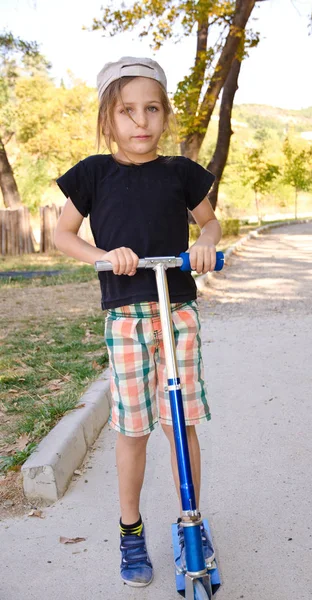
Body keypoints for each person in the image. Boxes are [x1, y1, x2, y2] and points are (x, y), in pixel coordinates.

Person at [54, 56, 222, 588]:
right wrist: (104, 255)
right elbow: (63, 235)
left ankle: (190, 522)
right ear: (109, 119)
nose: (140, 121)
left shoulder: (181, 174)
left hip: (177, 310)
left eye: (151, 109)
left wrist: (204, 245)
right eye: (127, 111)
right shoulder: (91, 174)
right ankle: (131, 530)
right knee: (134, 428)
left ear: (165, 115)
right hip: (127, 314)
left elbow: (211, 223)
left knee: (182, 420)